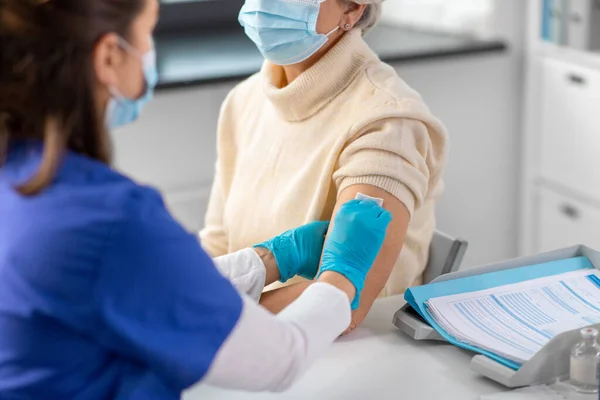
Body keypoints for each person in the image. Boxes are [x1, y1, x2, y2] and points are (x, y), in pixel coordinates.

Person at [0, 0, 392, 399]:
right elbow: (280, 359)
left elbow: (150, 282)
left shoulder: (18, 178)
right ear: (108, 56)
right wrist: (341, 277)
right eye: (147, 33)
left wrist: (271, 258)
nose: (151, 52)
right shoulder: (111, 221)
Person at [200, 0, 449, 331]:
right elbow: (216, 245)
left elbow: (345, 304)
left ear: (352, 9)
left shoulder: (386, 122)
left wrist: (201, 314)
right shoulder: (243, 102)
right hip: (249, 347)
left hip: (352, 359)